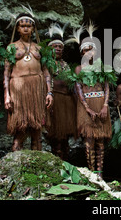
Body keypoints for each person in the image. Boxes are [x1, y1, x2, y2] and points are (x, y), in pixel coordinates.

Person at [68, 23, 114, 178]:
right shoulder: (78, 70)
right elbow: (79, 89)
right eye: (85, 50)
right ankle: (92, 173)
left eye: (91, 49)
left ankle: (100, 174)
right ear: (81, 52)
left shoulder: (102, 67)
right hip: (86, 106)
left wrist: (105, 106)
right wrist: (87, 108)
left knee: (101, 140)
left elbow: (107, 87)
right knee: (89, 140)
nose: (88, 52)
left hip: (101, 103)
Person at [4, 12, 53, 151]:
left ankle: (37, 167)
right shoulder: (11, 47)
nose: (26, 28)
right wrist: (7, 95)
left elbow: (46, 71)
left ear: (33, 29)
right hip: (19, 88)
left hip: (37, 89)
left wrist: (49, 92)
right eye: (22, 26)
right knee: (20, 128)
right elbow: (6, 73)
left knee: (37, 129)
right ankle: (15, 164)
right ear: (17, 29)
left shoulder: (39, 48)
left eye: (29, 26)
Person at [45, 24, 77, 160]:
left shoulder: (66, 65)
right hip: (55, 100)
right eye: (55, 47)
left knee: (65, 137)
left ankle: (66, 162)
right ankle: (56, 161)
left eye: (60, 47)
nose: (58, 49)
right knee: (56, 135)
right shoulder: (46, 64)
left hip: (67, 101)